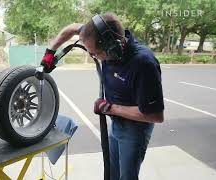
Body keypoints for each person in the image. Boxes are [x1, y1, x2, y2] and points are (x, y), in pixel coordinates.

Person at [41, 12, 164, 180]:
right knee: (112, 173)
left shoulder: (143, 63)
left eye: (96, 53)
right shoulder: (98, 33)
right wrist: (50, 52)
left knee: (127, 176)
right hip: (116, 124)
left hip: (135, 129)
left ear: (114, 47)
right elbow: (70, 29)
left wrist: (110, 108)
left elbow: (155, 115)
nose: (93, 57)